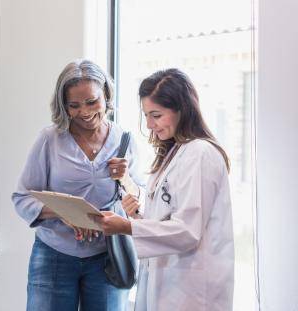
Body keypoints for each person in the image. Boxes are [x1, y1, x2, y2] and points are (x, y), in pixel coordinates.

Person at [92, 68, 234, 311]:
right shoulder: (175, 153)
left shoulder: (200, 154)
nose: (149, 125)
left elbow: (187, 230)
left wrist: (127, 226)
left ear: (182, 110)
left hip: (192, 290)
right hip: (169, 284)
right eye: (146, 115)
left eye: (156, 115)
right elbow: (170, 219)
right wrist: (138, 216)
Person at [11, 59, 141, 311]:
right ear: (64, 106)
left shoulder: (124, 140)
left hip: (107, 258)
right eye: (74, 105)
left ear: (105, 94)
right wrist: (66, 213)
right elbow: (22, 198)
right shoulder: (50, 139)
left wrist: (126, 179)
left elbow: (143, 202)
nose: (85, 112)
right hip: (53, 256)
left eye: (92, 101)